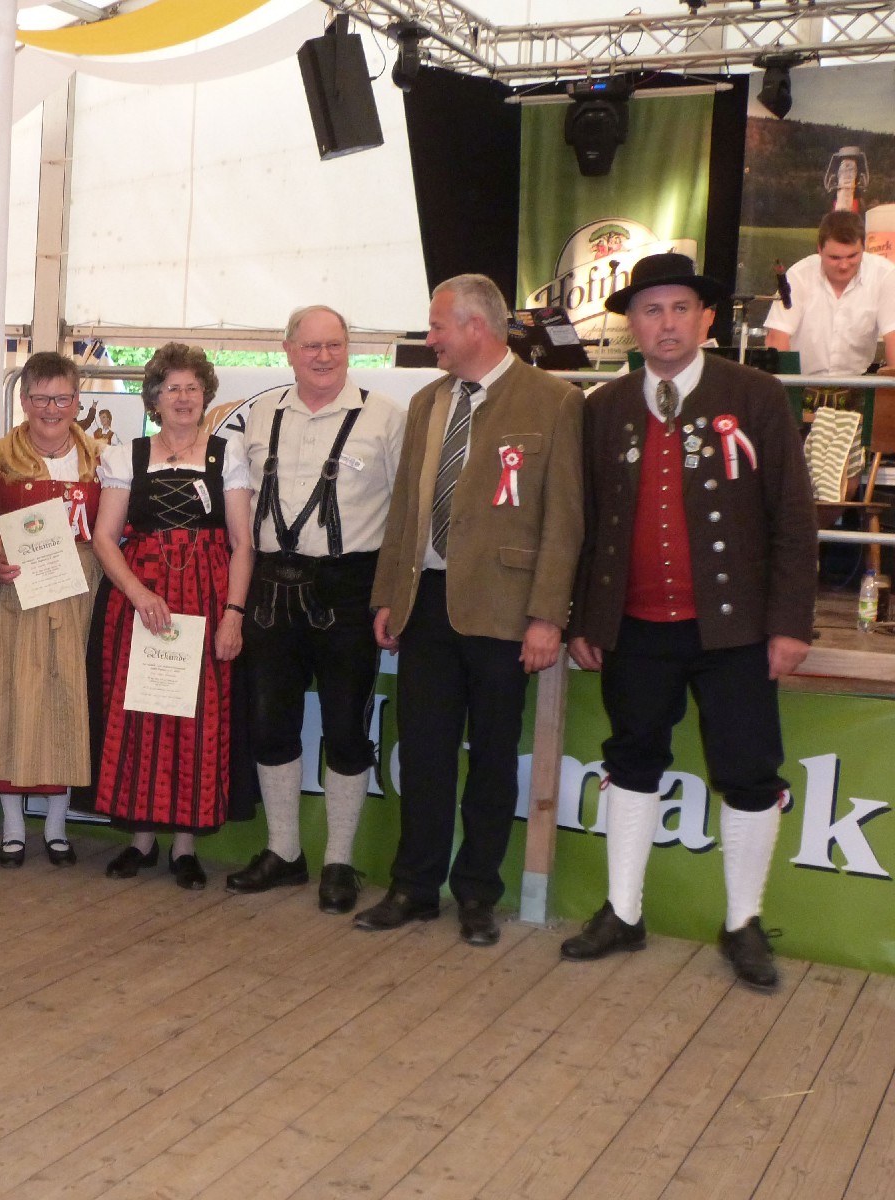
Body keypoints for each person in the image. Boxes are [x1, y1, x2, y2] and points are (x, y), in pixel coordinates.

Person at [561, 253, 817, 991]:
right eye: (651, 310)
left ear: (705, 319)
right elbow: (587, 524)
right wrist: (585, 617)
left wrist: (790, 622)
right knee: (632, 761)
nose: (666, 324)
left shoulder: (756, 395)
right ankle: (623, 911)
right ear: (633, 325)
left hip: (733, 628)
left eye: (680, 309)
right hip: (635, 624)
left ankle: (743, 922)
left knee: (748, 771)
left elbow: (793, 517)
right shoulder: (603, 407)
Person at [362, 274, 583, 946]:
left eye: (437, 327)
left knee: (492, 757)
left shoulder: (554, 400)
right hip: (426, 604)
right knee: (423, 754)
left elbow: (565, 520)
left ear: (475, 327)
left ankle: (478, 893)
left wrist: (548, 616)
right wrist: (387, 595)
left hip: (506, 612)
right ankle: (414, 885)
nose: (430, 339)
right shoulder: (428, 401)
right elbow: (405, 509)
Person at [225, 305, 405, 915]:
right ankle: (284, 852)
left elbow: (406, 516)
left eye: (334, 345)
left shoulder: (385, 416)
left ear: (349, 348)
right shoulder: (260, 413)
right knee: (270, 723)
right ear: (288, 350)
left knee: (347, 728)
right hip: (270, 586)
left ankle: (338, 861)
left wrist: (393, 596)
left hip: (349, 587)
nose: (323, 356)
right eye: (311, 346)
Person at [89, 343, 254, 888]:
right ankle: (141, 840)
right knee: (140, 712)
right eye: (172, 388)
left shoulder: (227, 455)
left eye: (192, 388)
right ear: (155, 399)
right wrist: (138, 594)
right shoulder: (126, 456)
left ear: (206, 394)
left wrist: (233, 614)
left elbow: (242, 543)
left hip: (206, 596)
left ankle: (185, 846)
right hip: (142, 599)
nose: (183, 398)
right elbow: (105, 539)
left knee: (196, 718)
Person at [0, 352, 102, 866]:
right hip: (12, 598)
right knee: (11, 701)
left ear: (78, 401)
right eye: (41, 398)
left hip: (77, 596)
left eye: (62, 398)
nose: (51, 409)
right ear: (23, 400)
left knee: (66, 701)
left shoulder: (102, 458)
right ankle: (14, 828)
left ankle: (57, 827)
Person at [765, 209, 895, 376]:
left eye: (852, 256)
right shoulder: (799, 275)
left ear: (864, 247)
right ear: (819, 249)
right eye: (835, 258)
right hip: (801, 381)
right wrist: (786, 386)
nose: (844, 265)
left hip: (857, 384)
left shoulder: (885, 275)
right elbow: (777, 337)